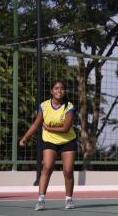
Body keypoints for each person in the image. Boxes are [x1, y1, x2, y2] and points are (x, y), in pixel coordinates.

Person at [19, 80, 77, 211]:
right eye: (56, 88)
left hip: (68, 141)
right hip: (50, 141)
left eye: (62, 88)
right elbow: (36, 124)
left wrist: (47, 128)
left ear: (65, 91)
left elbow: (66, 129)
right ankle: (41, 200)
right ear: (51, 91)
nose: (59, 91)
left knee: (68, 171)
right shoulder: (44, 106)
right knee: (47, 167)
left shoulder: (69, 107)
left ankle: (69, 199)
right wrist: (25, 137)